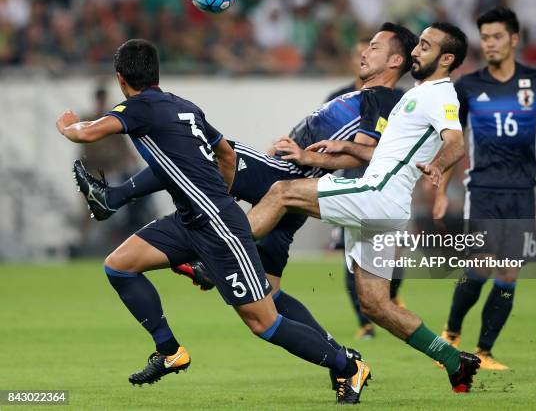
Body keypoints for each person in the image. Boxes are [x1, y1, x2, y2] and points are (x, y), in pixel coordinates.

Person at [72, 23, 417, 401]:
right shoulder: (354, 94)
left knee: (263, 321)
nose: (364, 52)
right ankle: (171, 348)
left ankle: (346, 366)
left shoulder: (382, 100)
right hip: (248, 205)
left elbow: (370, 152)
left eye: (374, 46)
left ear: (396, 60)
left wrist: (306, 157)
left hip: (277, 182)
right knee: (130, 265)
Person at [243, 22, 481, 393]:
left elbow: (456, 142)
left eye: (426, 46)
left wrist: (438, 165)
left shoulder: (441, 95)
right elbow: (381, 153)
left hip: (375, 195)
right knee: (375, 305)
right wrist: (345, 149)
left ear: (446, 58)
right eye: (418, 44)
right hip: (386, 207)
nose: (416, 51)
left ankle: (220, 255)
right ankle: (455, 361)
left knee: (282, 191)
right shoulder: (415, 96)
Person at [433, 7, 536, 370]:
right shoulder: (468, 86)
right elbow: (454, 142)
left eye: (496, 37)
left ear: (514, 39)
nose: (489, 44)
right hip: (483, 190)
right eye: (485, 38)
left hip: (523, 190)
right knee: (481, 265)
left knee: (508, 273)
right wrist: (442, 188)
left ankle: (484, 352)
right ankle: (450, 335)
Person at [325, 38, 405, 340]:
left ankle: (388, 299)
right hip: (351, 183)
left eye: (372, 50)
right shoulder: (338, 98)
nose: (365, 56)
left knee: (393, 256)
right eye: (361, 52)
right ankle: (365, 322)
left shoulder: (400, 99)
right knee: (352, 255)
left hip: (388, 187)